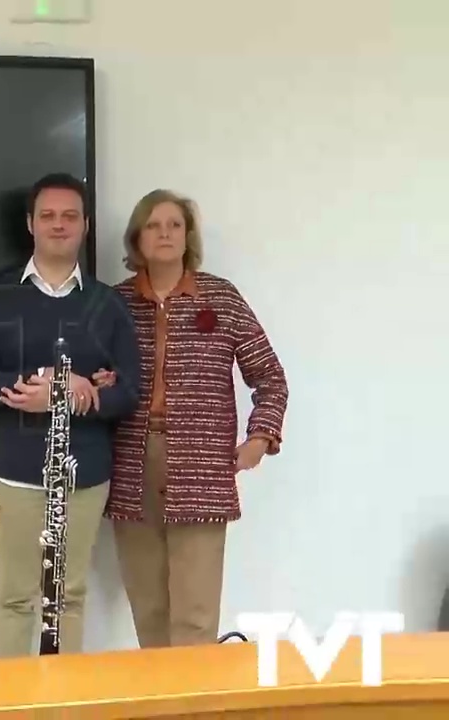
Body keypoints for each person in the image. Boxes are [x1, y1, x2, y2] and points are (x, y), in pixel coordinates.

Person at [97, 189, 288, 648]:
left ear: (188, 237)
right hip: (129, 466)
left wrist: (261, 436)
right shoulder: (112, 304)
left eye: (174, 225)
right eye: (153, 225)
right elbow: (88, 373)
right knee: (150, 611)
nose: (164, 233)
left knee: (196, 616)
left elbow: (269, 376)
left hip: (201, 468)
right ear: (137, 239)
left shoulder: (220, 297)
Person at [0, 172, 141, 656]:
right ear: (30, 224)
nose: (59, 225)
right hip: (14, 472)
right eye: (48, 216)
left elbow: (128, 390)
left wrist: (84, 395)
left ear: (86, 225)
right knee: (13, 598)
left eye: (70, 216)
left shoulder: (107, 303)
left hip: (84, 475)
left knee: (67, 596)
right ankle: (10, 707)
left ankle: (65, 705)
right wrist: (52, 387)